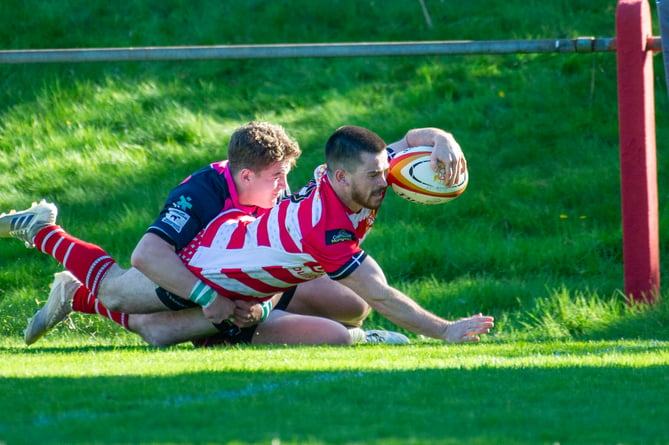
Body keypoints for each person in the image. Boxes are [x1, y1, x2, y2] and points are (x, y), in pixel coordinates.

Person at [2, 125, 492, 346]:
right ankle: (50, 239)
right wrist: (445, 329)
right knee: (127, 303)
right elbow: (382, 294)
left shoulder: (346, 173)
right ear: (341, 178)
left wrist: (443, 141)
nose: (385, 182)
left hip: (249, 268)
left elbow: (406, 142)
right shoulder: (328, 229)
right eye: (375, 178)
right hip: (205, 266)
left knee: (342, 310)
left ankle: (78, 291)